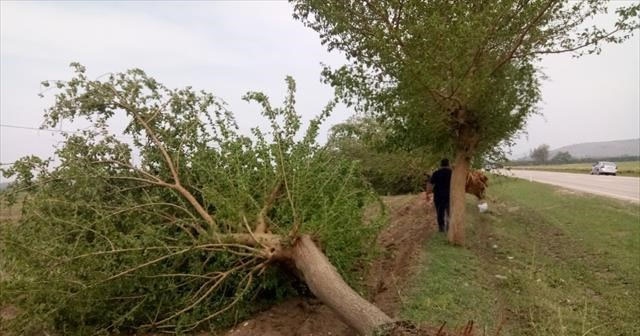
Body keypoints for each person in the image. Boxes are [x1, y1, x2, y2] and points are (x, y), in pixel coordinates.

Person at [429, 158, 452, 232]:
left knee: (440, 212)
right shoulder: (452, 173)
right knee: (449, 212)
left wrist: (427, 193)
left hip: (438, 196)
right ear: (448, 164)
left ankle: (441, 227)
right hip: (449, 196)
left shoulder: (436, 173)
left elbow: (431, 184)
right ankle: (449, 227)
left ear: (441, 164)